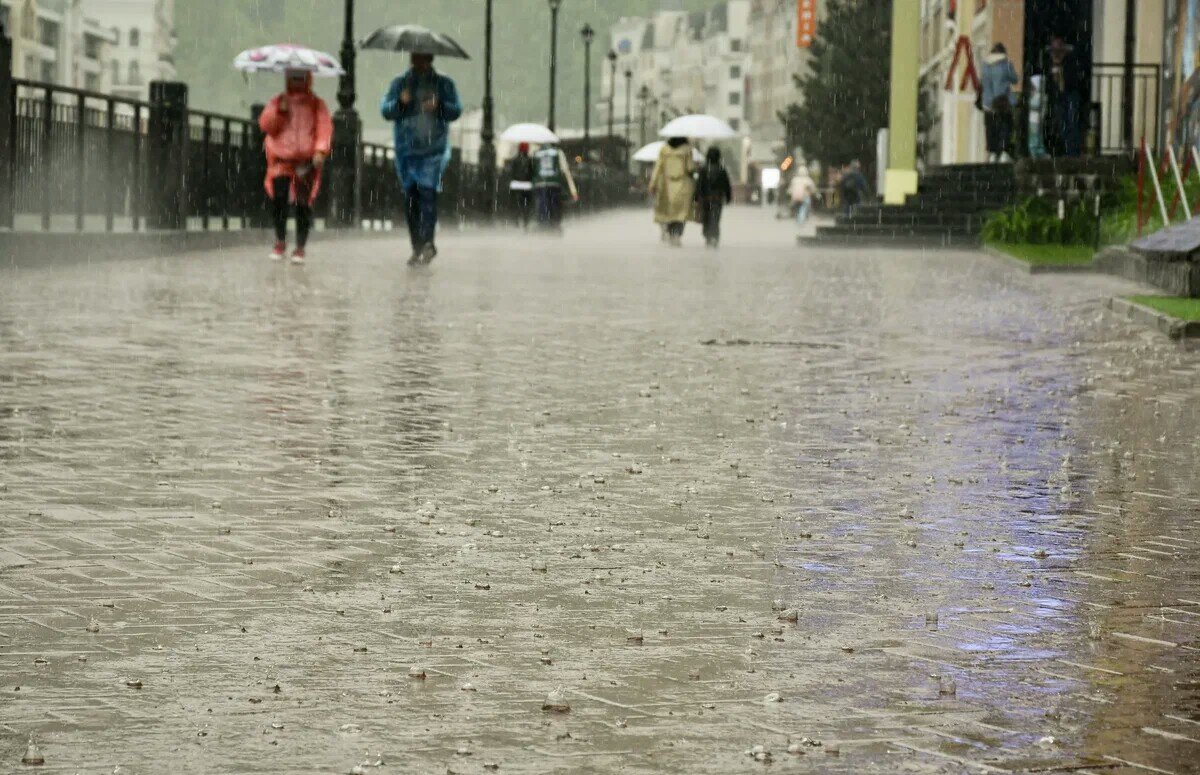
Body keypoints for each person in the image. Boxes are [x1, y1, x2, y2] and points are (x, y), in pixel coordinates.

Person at [381, 52, 463, 265]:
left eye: (423, 59)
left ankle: (428, 243)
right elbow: (386, 110)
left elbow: (456, 110)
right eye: (416, 58)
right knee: (411, 198)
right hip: (406, 151)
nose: (419, 63)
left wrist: (440, 107)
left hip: (433, 150)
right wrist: (400, 102)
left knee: (428, 194)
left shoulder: (444, 84)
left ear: (430, 59)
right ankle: (417, 246)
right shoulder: (400, 83)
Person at [258, 69, 332, 264]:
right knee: (279, 200)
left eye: (301, 77)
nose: (297, 82)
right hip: (281, 159)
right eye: (293, 78)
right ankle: (280, 240)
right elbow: (266, 126)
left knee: (303, 204)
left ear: (308, 79)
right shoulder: (277, 101)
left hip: (306, 162)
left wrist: (320, 150)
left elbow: (324, 129)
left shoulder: (317, 104)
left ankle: (300, 247)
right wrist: (279, 112)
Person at [649, 137, 696, 246]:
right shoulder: (687, 149)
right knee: (681, 214)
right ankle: (677, 235)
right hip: (683, 185)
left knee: (670, 213)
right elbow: (690, 168)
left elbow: (658, 167)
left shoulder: (664, 149)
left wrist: (653, 184)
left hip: (667, 186)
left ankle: (671, 233)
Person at [1042, 36, 1083, 157]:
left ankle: (1072, 152)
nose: (1056, 53)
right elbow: (1049, 82)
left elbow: (1074, 79)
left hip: (1071, 94)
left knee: (1072, 123)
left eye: (1058, 50)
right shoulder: (1049, 63)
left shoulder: (1070, 61)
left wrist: (1061, 73)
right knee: (1062, 125)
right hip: (1058, 97)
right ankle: (1065, 150)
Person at [981, 43, 1018, 162]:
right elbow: (1015, 79)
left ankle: (992, 153)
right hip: (1003, 102)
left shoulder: (985, 65)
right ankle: (1003, 152)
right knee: (1005, 127)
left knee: (991, 128)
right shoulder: (1006, 64)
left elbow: (983, 83)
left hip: (988, 103)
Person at [532, 142, 579, 231]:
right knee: (555, 205)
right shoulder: (558, 153)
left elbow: (532, 170)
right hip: (554, 183)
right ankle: (554, 225)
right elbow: (565, 170)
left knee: (542, 205)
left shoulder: (536, 153)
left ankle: (543, 226)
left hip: (540, 184)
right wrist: (573, 190)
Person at [694, 147, 732, 247]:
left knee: (706, 219)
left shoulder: (703, 169)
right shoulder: (722, 169)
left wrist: (696, 197)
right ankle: (714, 236)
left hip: (705, 199)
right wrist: (728, 197)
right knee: (715, 219)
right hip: (717, 199)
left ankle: (707, 236)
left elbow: (699, 185)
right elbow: (726, 185)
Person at [507, 142, 535, 229]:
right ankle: (525, 221)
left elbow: (512, 172)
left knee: (517, 204)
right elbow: (532, 172)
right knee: (526, 205)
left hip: (516, 185)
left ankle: (516, 221)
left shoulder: (515, 160)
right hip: (527, 185)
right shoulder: (530, 160)